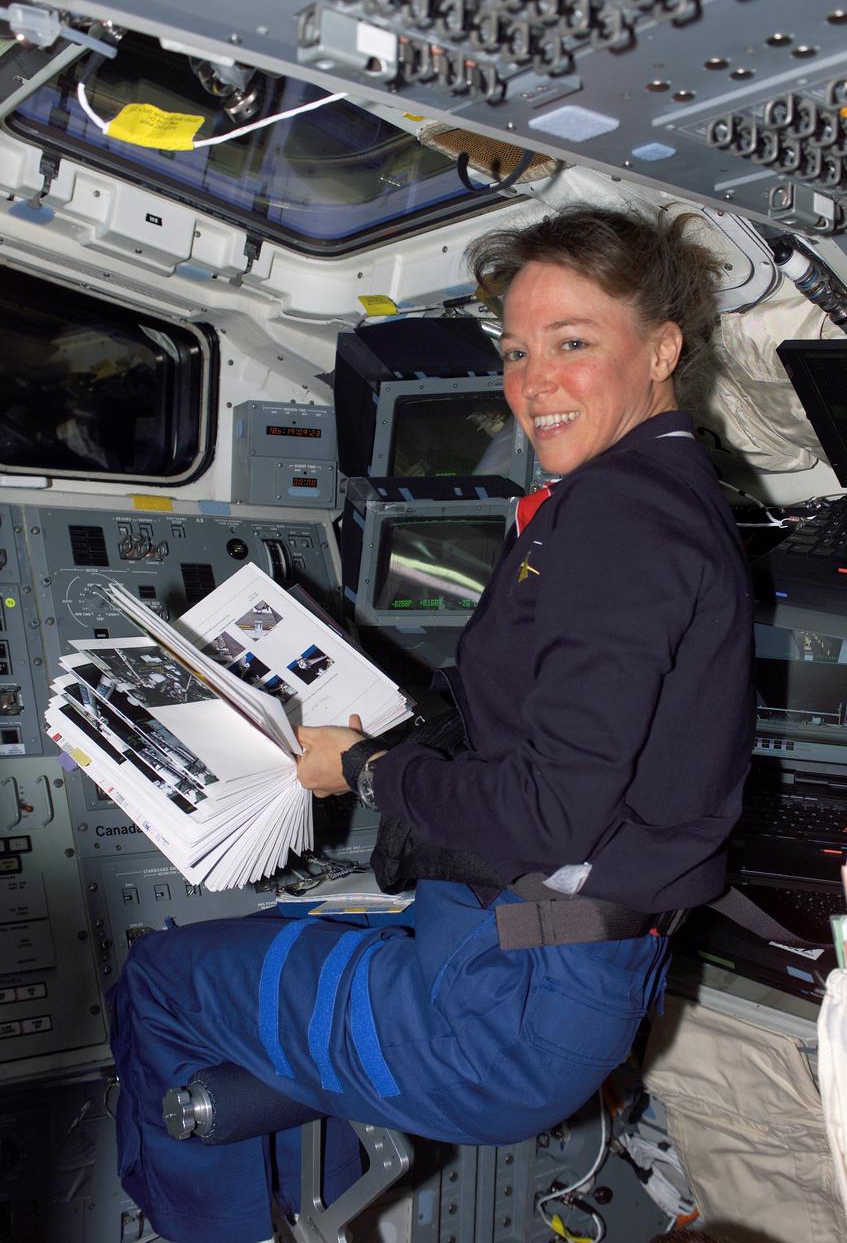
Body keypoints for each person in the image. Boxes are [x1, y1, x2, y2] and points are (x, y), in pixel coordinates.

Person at [109, 206, 754, 1243]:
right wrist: (401, 753)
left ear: (662, 349)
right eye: (514, 351)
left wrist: (365, 771)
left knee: (164, 982)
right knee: (274, 941)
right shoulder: (664, 493)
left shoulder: (620, 515)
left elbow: (548, 809)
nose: (533, 381)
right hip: (538, 962)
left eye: (572, 343)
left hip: (495, 1009)